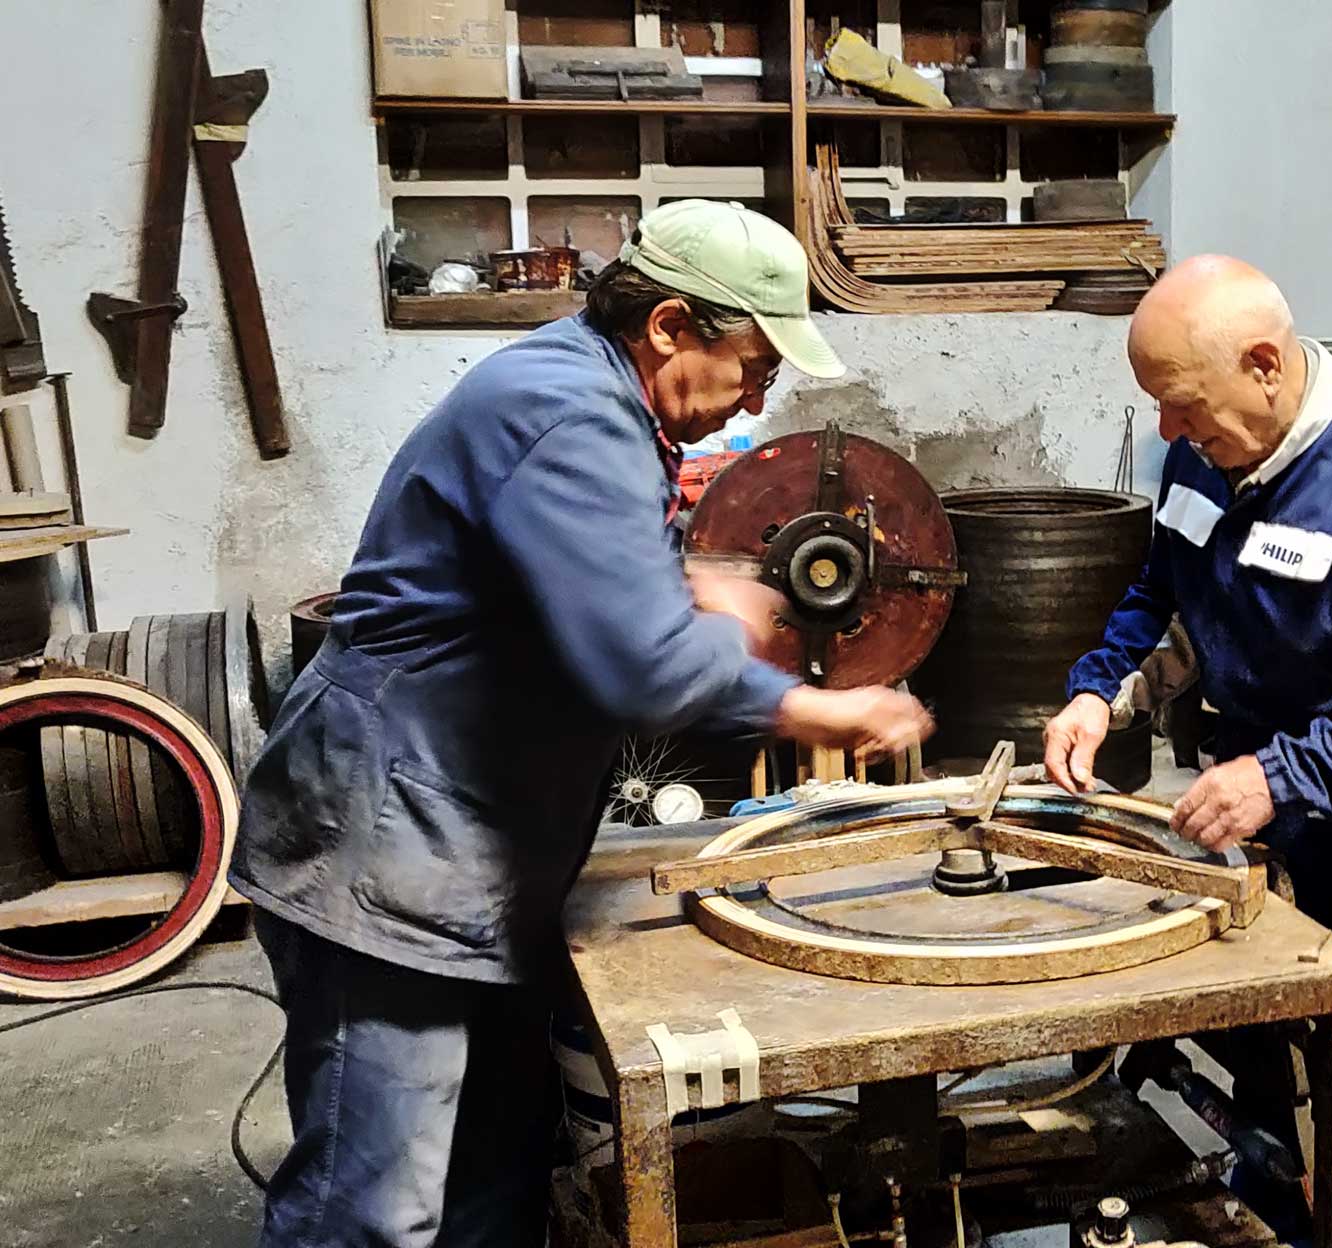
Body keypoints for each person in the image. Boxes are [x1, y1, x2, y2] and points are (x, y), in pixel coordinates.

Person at [231, 200, 933, 1248]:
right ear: (668, 328)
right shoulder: (570, 413)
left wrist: (674, 581)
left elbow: (553, 578)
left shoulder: (588, 389)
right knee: (370, 1211)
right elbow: (640, 669)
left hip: (468, 847)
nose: (753, 401)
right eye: (752, 367)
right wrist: (810, 701)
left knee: (493, 1167)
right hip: (385, 858)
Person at [1044, 256, 1332, 1248]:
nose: (1166, 430)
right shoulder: (1205, 451)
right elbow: (1166, 601)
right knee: (1266, 1089)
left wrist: (1280, 776)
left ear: (1263, 364)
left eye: (1181, 404)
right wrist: (1096, 696)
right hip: (1251, 824)